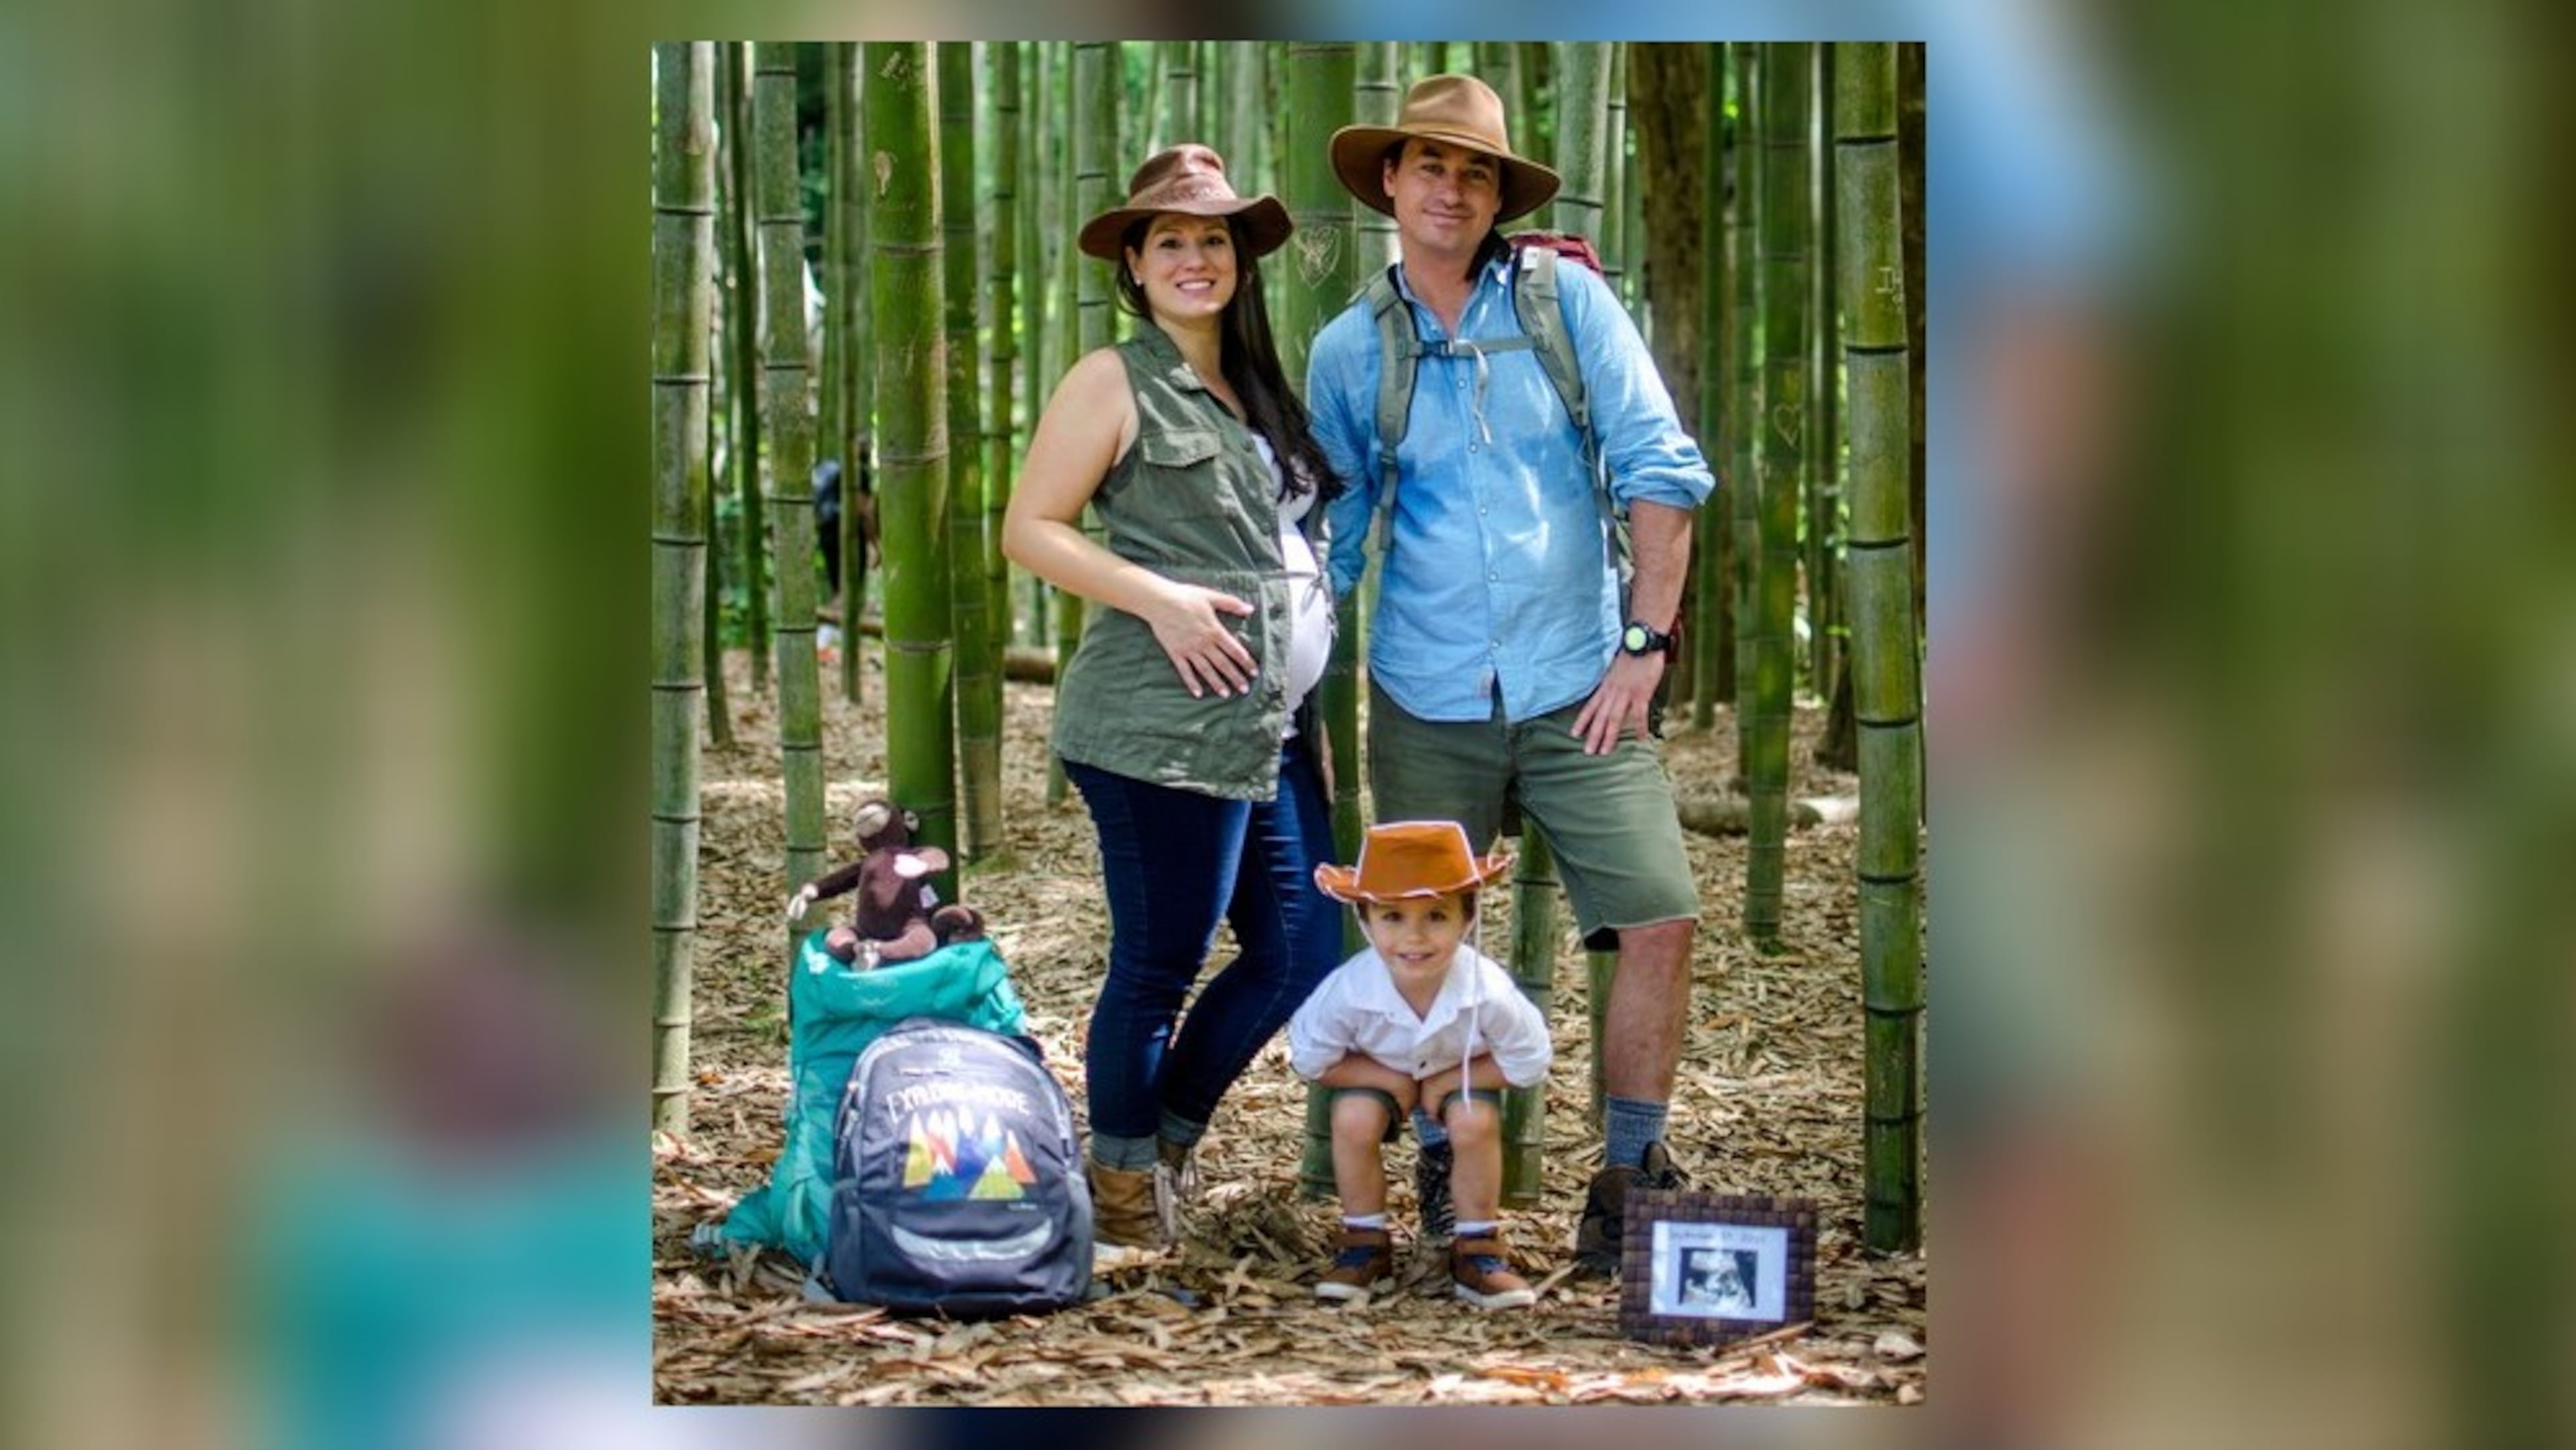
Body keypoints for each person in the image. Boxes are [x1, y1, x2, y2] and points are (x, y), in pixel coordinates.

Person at [1304, 75, 1717, 1278]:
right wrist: (1295, 691)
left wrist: (1644, 645)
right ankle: (1448, 1168)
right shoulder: (1348, 347)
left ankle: (1630, 1173)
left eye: (1476, 171)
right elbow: (1335, 536)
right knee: (1416, 941)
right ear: (1390, 181)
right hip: (1426, 689)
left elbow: (1659, 466)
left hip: (1580, 678)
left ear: (1500, 196)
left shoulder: (1567, 301)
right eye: (1430, 165)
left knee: (1658, 915)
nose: (1452, 188)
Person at [1000, 144, 1344, 1249]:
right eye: (1171, 241)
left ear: (1241, 260)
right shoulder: (1113, 379)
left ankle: (1161, 1150)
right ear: (1136, 266)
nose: (1196, 258)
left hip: (1268, 726)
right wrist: (1163, 601)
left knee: (1303, 950)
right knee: (1159, 962)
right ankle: (1120, 1194)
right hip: (1162, 722)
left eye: (1214, 239)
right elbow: (1031, 528)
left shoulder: (1258, 385)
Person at [1287, 821, 1551, 1310]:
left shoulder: (1488, 989)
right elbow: (1311, 1056)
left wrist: (1445, 1081)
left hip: (1461, 1071)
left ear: (1467, 917)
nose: (1414, 936)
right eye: (1392, 916)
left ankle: (1477, 1251)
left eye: (1436, 915)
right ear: (1365, 921)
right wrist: (1390, 1080)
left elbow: (1530, 1058)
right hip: (1375, 1070)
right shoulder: (1348, 990)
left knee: (1475, 1120)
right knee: (1353, 1118)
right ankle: (1365, 1244)